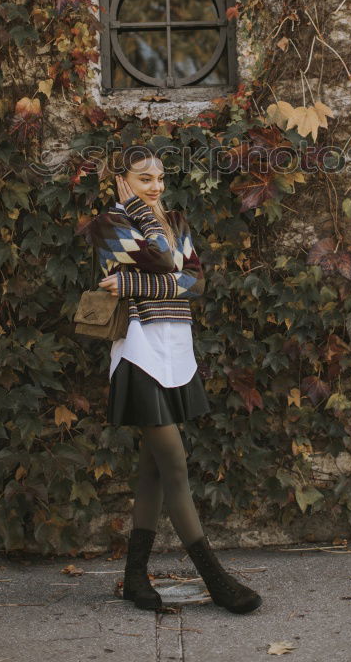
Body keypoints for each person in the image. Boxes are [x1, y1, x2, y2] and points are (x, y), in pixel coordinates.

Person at [87, 145, 262, 614]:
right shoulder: (109, 225)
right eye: (145, 180)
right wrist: (143, 216)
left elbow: (197, 282)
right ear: (121, 180)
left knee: (153, 470)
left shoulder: (178, 222)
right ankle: (217, 579)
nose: (158, 187)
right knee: (176, 464)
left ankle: (134, 578)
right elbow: (168, 265)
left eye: (161, 178)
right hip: (139, 349)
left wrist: (131, 282)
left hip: (176, 346)